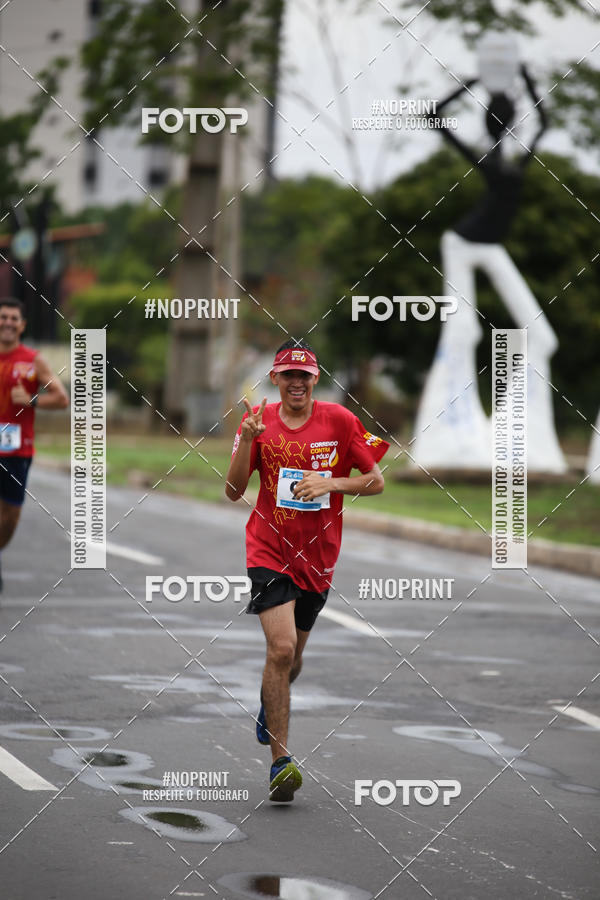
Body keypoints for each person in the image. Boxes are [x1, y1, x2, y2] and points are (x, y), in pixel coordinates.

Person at [225, 339, 389, 802]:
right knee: (279, 650)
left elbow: (375, 480)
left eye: (305, 375)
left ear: (316, 379)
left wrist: (333, 481)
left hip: (318, 557)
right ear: (275, 379)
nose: (296, 382)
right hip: (268, 548)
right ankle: (280, 762)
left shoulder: (339, 421)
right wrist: (249, 442)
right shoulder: (257, 421)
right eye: (287, 374)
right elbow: (233, 491)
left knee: (292, 660)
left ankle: (268, 704)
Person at [0, 298, 69, 590]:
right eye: (3, 317)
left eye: (14, 318)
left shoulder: (33, 360)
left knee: (11, 516)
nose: (8, 322)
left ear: (22, 325)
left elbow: (62, 398)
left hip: (17, 448)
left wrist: (30, 400)